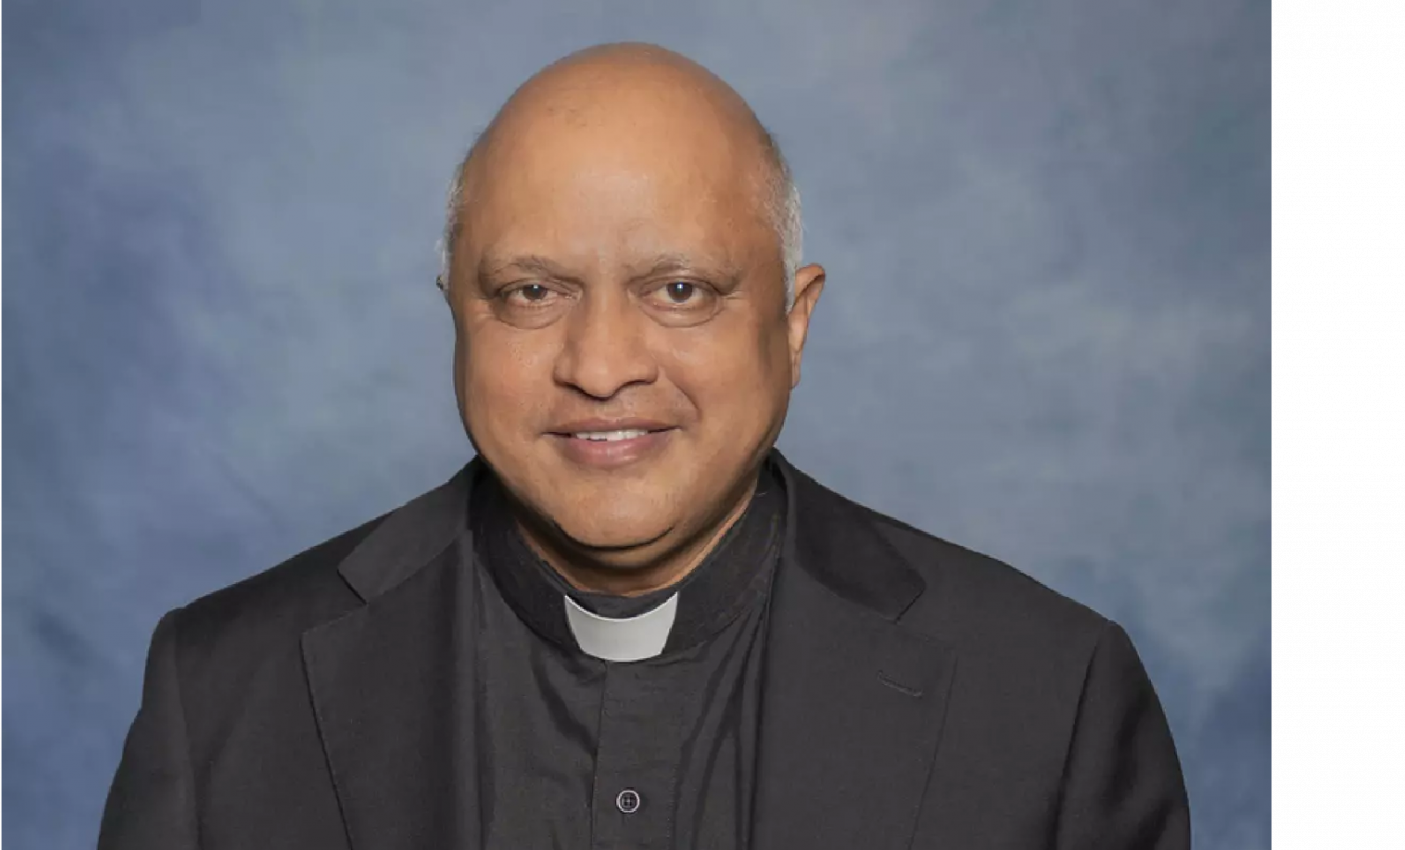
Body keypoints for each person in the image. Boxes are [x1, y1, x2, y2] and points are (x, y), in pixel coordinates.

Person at [99, 42, 1190, 850]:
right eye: (531, 292)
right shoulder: (223, 689)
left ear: (793, 325)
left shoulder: (1051, 696)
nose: (602, 364)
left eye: (680, 290)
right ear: (457, 317)